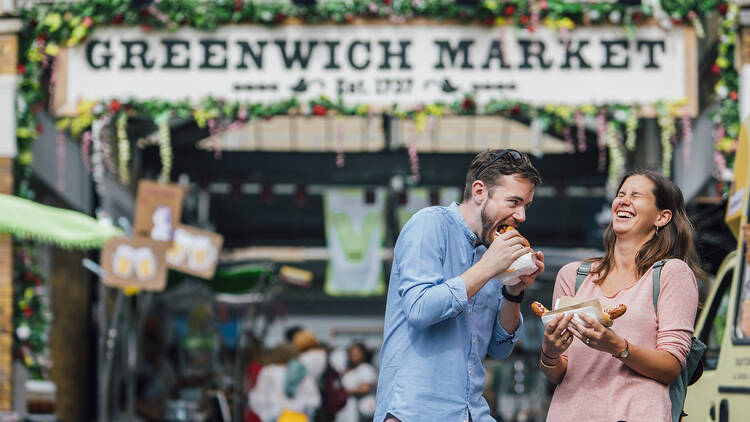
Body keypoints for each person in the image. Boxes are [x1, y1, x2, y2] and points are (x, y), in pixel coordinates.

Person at [374, 149, 545, 422]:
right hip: (415, 412)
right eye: (514, 202)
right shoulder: (429, 224)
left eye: (526, 205)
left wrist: (513, 291)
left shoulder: (490, 250)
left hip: (471, 412)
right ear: (479, 191)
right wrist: (488, 267)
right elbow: (419, 309)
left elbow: (499, 349)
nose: (521, 215)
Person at [540, 170, 706, 421]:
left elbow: (671, 367)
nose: (624, 200)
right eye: (621, 194)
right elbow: (557, 373)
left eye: (636, 195)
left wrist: (616, 346)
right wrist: (550, 353)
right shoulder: (573, 276)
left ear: (662, 217)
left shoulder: (671, 274)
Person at [249, 343, 321, 422]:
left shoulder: (267, 372)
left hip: (275, 417)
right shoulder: (301, 371)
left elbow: (259, 400)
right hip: (299, 417)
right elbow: (314, 400)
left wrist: (266, 414)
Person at [335, 343, 378, 422]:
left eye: (357, 353)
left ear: (363, 354)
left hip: (361, 410)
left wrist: (346, 391)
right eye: (351, 353)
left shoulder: (366, 369)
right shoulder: (348, 370)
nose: (354, 356)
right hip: (348, 410)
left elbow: (365, 388)